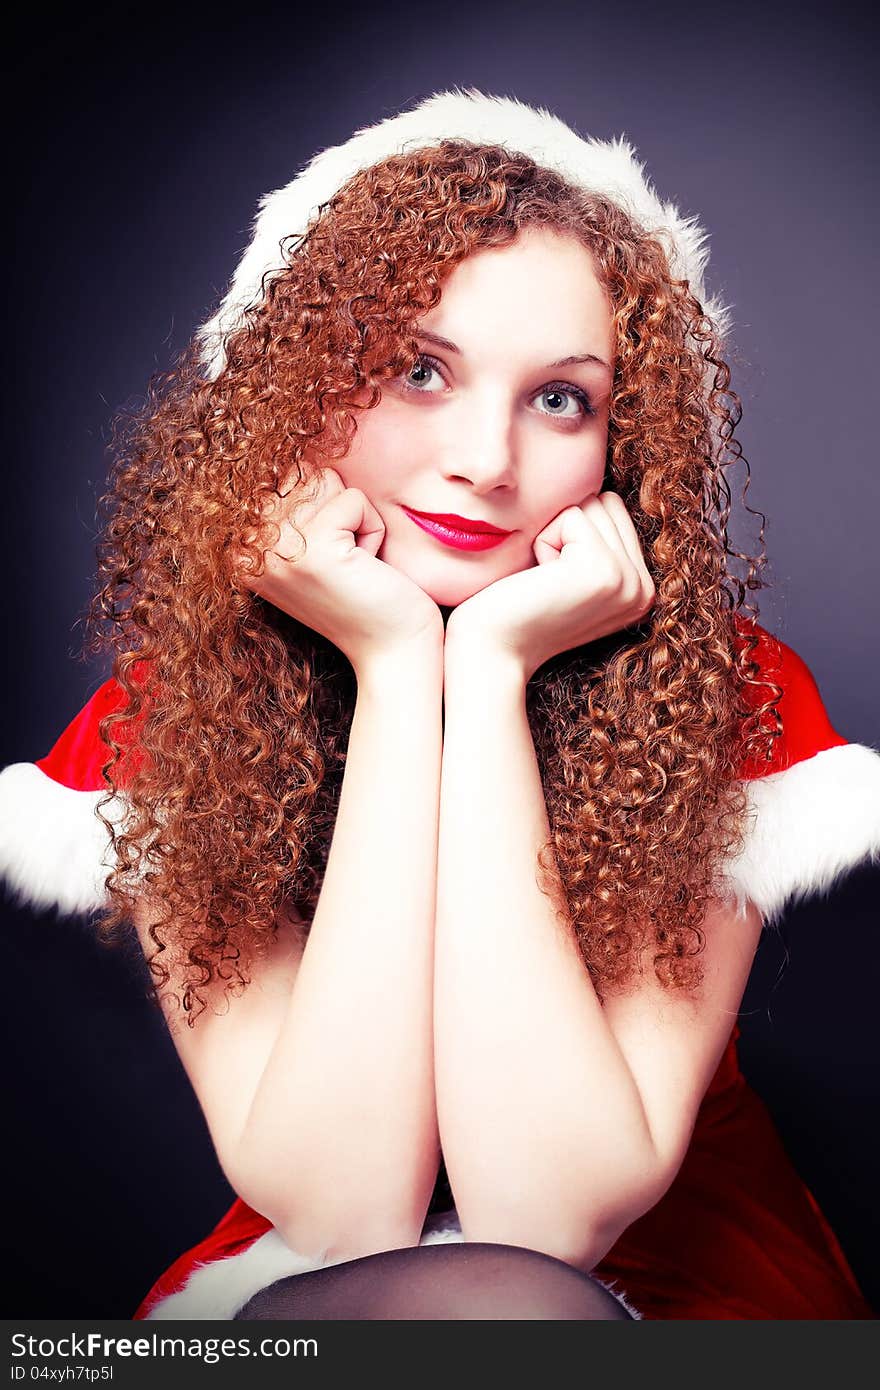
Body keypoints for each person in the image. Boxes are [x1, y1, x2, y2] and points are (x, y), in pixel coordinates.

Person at [1, 89, 877, 1321]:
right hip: (333, 1286)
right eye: (419, 370)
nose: (487, 458)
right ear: (300, 384)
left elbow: (548, 1218)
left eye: (560, 396)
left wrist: (492, 668)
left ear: (622, 444)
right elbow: (344, 1212)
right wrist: (400, 661)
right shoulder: (172, 713)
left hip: (673, 1284)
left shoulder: (722, 696)